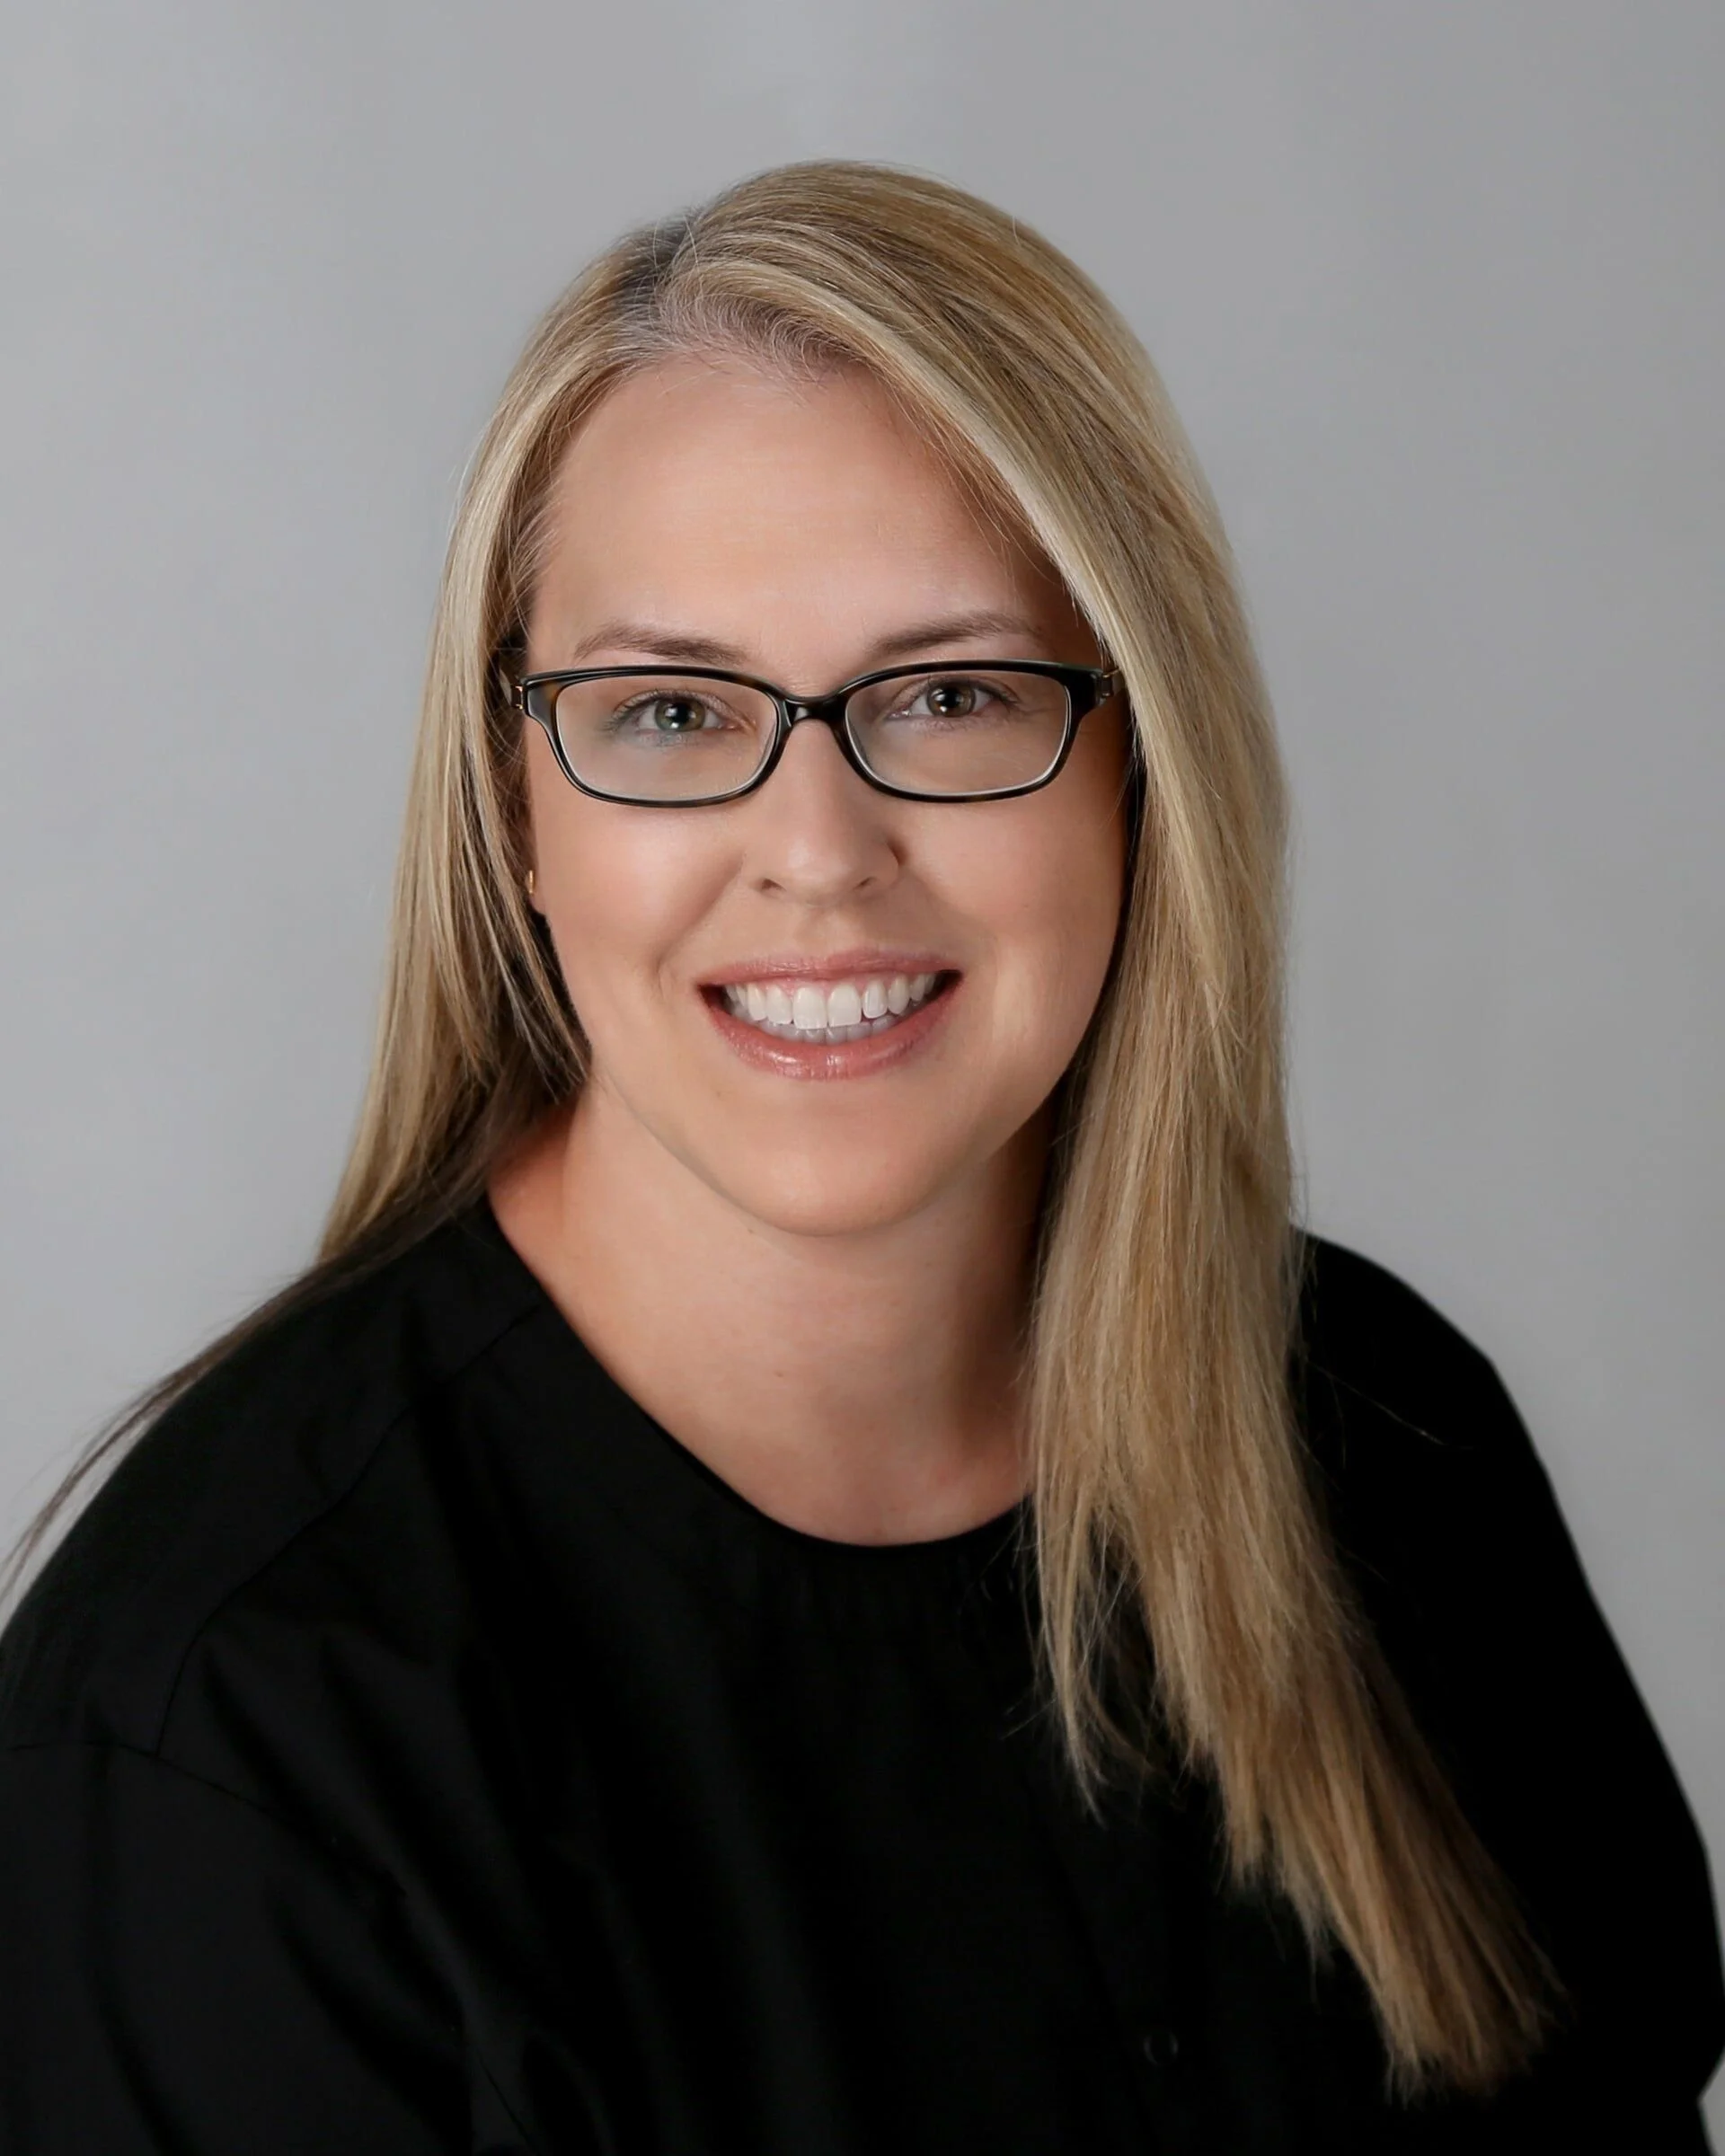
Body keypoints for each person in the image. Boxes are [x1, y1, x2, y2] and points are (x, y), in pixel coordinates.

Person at [0, 160, 1718, 2155]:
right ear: (516, 817)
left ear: (1137, 769)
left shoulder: (1384, 1448)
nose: (818, 849)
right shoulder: (230, 1727)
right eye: (663, 709)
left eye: (956, 693)